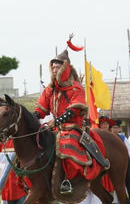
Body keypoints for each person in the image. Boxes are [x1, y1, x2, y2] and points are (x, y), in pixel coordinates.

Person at [32, 49, 108, 194]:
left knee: (66, 145)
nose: (54, 70)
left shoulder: (76, 88)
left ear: (65, 68)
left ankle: (68, 179)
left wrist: (56, 121)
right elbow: (41, 110)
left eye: (57, 67)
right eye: (52, 67)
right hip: (56, 128)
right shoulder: (49, 90)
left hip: (73, 127)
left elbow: (73, 111)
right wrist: (31, 117)